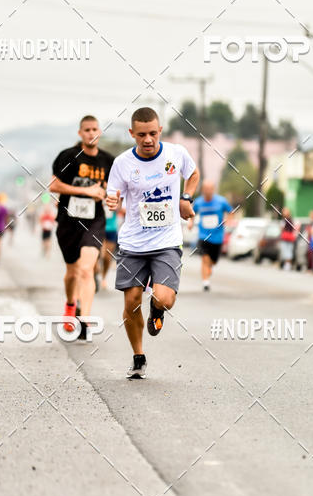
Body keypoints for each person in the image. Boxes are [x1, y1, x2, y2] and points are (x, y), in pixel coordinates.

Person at [106, 107, 199, 380]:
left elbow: (192, 175)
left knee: (165, 298)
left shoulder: (176, 154)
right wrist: (112, 201)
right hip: (133, 242)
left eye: (152, 133)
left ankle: (156, 309)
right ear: (132, 133)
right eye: (141, 134)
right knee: (131, 300)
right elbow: (114, 195)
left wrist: (187, 198)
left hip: (167, 240)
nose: (148, 140)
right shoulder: (122, 163)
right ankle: (138, 356)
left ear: (160, 131)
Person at [50, 115, 114, 339]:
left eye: (94, 129)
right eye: (86, 129)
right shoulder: (68, 156)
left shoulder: (108, 160)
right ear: (80, 133)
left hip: (94, 222)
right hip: (68, 222)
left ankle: (84, 321)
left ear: (99, 132)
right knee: (72, 273)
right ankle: (70, 304)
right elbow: (54, 184)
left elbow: (115, 189)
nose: (90, 133)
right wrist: (86, 191)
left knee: (87, 269)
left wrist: (109, 194)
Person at [189, 180, 232, 291]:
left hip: (217, 237)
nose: (207, 191)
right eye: (205, 189)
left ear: (213, 189)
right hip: (203, 236)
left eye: (209, 189)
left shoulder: (221, 201)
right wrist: (190, 222)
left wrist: (228, 220)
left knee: (212, 261)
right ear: (202, 190)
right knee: (205, 258)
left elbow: (231, 212)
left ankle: (209, 267)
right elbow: (192, 213)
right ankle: (206, 282)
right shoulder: (198, 202)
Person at [99, 204, 119, 290]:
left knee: (107, 258)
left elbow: (121, 208)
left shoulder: (115, 194)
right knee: (101, 255)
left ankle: (103, 277)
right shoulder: (97, 192)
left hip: (112, 229)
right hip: (99, 228)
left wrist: (115, 206)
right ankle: (94, 273)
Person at [279, 206, 297, 270]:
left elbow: (292, 229)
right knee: (285, 251)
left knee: (288, 251)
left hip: (289, 237)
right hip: (284, 238)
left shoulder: (290, 220)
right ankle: (287, 264)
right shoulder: (284, 220)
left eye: (285, 211)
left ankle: (288, 265)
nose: (284, 212)